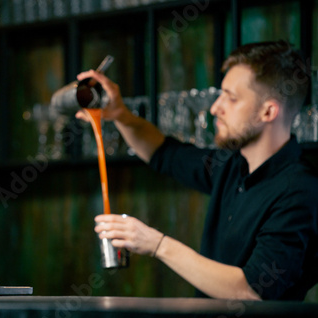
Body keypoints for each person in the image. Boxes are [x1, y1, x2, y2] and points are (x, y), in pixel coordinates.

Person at [76, 40, 318, 301]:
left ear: (268, 111)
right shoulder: (231, 165)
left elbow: (253, 290)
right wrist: (120, 114)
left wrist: (157, 244)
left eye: (231, 98)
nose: (215, 108)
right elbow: (162, 153)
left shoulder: (299, 191)